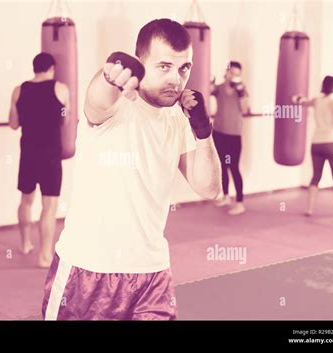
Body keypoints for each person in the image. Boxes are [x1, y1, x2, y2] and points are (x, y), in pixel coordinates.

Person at [42, 19, 221, 320]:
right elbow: (97, 98)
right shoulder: (117, 106)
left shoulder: (177, 119)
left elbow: (210, 189)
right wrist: (111, 74)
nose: (176, 80)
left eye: (184, 68)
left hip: (152, 275)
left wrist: (203, 131)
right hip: (87, 271)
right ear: (141, 62)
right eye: (164, 66)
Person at [9, 53, 70, 267]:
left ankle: (25, 243)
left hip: (28, 154)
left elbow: (13, 124)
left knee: (26, 200)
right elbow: (65, 118)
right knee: (49, 205)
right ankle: (44, 255)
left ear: (34, 68)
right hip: (51, 155)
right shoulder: (61, 89)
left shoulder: (19, 90)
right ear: (51, 68)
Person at [292, 76, 333, 219]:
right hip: (332, 145)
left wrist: (296, 98)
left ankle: (309, 209)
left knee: (316, 176)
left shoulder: (316, 100)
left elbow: (301, 102)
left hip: (316, 144)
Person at [211, 61, 250, 215]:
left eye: (237, 74)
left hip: (234, 135)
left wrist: (241, 93)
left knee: (234, 168)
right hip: (219, 132)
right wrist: (210, 79)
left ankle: (240, 202)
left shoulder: (241, 89)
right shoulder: (219, 88)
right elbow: (207, 89)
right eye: (231, 72)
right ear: (227, 72)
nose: (233, 76)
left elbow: (245, 109)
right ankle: (226, 196)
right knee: (222, 166)